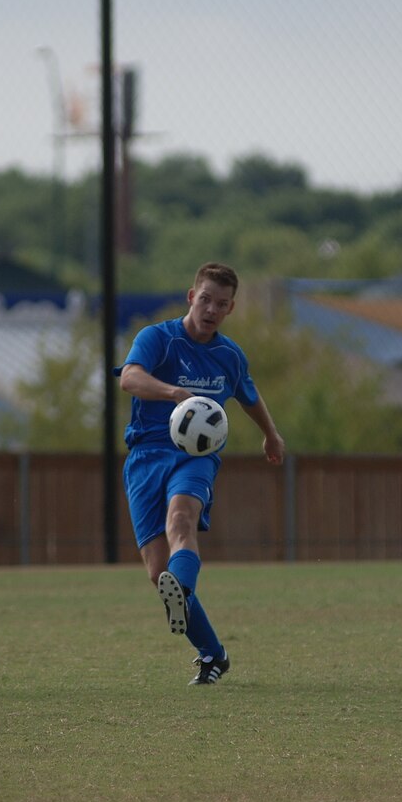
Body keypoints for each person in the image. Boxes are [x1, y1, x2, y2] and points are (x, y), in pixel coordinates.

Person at [116, 262, 286, 684]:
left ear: (230, 309)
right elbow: (130, 379)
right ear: (192, 297)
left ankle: (183, 590)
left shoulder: (229, 356)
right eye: (206, 298)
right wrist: (174, 393)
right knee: (159, 572)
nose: (211, 308)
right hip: (145, 456)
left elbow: (248, 394)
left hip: (196, 457)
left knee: (181, 519)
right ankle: (213, 655)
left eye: (222, 303)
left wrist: (271, 435)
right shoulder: (158, 338)